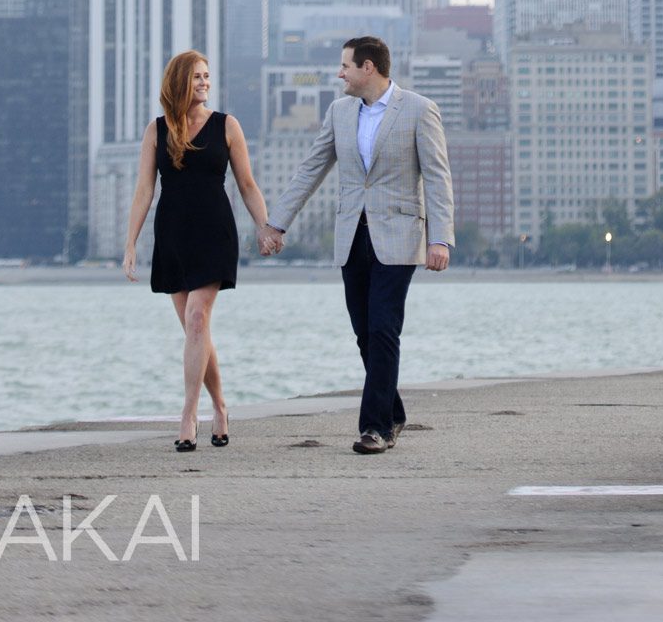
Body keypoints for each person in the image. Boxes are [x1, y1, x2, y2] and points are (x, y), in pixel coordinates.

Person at [263, 35, 455, 455]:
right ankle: (394, 411)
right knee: (364, 334)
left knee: (384, 328)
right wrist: (277, 223)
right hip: (353, 236)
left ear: (369, 68)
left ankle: (375, 428)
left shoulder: (420, 110)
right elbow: (310, 169)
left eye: (345, 66)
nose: (340, 73)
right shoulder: (339, 111)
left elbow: (438, 178)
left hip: (401, 236)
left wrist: (440, 238)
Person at [124, 49, 273, 453]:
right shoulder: (157, 131)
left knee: (196, 319)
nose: (205, 83)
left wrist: (265, 228)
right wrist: (130, 243)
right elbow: (143, 191)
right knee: (197, 332)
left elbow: (247, 185)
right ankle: (221, 408)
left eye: (207, 76)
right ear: (178, 83)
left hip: (214, 233)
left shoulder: (227, 126)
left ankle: (188, 416)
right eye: (196, 77)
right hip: (172, 235)